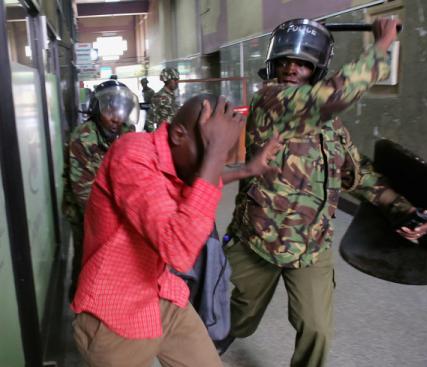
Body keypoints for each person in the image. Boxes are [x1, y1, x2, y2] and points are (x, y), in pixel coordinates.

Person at [221, 18, 427, 366]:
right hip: (259, 239)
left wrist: (402, 210)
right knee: (239, 319)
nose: (291, 68)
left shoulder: (330, 125)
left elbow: (357, 173)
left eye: (302, 63)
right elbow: (332, 96)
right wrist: (381, 46)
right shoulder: (271, 101)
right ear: (273, 65)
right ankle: (212, 342)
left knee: (317, 330)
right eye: (286, 61)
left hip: (311, 245)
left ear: (315, 70)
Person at [71, 93, 280, 367]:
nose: (214, 164)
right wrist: (215, 152)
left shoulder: (180, 160)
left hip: (162, 295)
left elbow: (198, 176)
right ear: (178, 135)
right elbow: (178, 250)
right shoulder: (132, 153)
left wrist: (247, 168)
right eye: (210, 153)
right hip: (113, 317)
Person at [62, 80, 138, 301]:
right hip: (84, 215)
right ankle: (80, 303)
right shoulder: (82, 138)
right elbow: (84, 194)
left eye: (121, 111)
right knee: (87, 260)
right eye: (109, 110)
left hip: (118, 209)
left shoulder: (126, 131)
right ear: (97, 109)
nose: (116, 118)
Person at [144, 67, 180, 132]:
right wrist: (154, 136)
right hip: (164, 133)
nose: (177, 82)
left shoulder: (172, 95)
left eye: (177, 79)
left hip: (173, 132)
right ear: (167, 80)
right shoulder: (159, 96)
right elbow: (149, 119)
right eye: (174, 80)